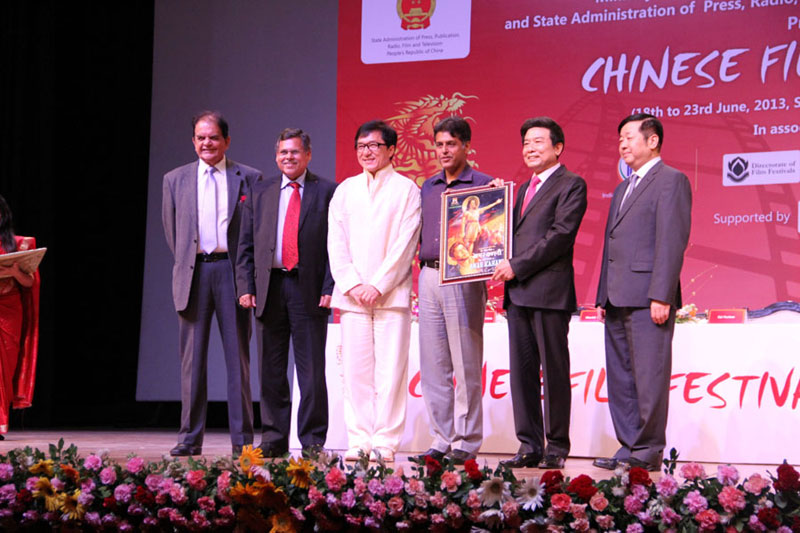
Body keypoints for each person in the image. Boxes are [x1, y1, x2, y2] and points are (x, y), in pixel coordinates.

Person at [593, 113, 692, 472]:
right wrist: (603, 294)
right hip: (617, 297)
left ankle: (649, 448)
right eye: (619, 137)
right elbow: (611, 244)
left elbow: (671, 241)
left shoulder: (671, 181)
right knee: (621, 377)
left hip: (650, 297)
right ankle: (630, 445)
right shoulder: (623, 187)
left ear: (652, 141)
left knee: (649, 376)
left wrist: (662, 294)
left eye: (629, 137)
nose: (622, 143)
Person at [492, 117, 587, 469]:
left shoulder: (571, 185)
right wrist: (495, 204)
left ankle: (557, 446)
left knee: (555, 372)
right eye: (526, 143)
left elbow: (560, 236)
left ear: (558, 147)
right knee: (522, 375)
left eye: (538, 142)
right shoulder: (518, 190)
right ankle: (529, 444)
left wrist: (517, 265)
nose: (530, 149)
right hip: (517, 296)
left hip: (549, 294)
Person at [162, 111, 257, 456]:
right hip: (194, 275)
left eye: (213, 137)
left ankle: (242, 441)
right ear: (193, 142)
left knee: (239, 363)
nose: (207, 143)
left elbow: (252, 234)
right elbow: (173, 233)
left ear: (226, 141)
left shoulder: (248, 177)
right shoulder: (175, 180)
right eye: (201, 138)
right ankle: (189, 438)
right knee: (192, 363)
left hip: (232, 273)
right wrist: (193, 262)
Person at [236, 128, 336, 457]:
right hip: (269, 288)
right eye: (283, 153)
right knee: (271, 371)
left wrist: (329, 286)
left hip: (309, 290)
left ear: (308, 155)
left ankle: (312, 441)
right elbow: (246, 243)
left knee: (311, 373)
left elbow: (336, 247)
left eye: (295, 152)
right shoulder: (260, 190)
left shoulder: (327, 192)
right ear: (276, 155)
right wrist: (245, 286)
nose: (288, 158)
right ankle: (275, 438)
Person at [327, 120, 421, 462]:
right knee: (355, 372)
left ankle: (385, 441)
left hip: (391, 296)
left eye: (374, 146)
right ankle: (359, 439)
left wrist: (378, 285)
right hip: (352, 298)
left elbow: (405, 244)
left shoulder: (407, 189)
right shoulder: (345, 190)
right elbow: (335, 243)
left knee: (391, 371)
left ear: (391, 149)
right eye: (361, 146)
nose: (367, 152)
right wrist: (353, 284)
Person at [416, 116, 494, 464]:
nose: (444, 151)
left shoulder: (484, 185)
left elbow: (492, 236)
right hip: (429, 275)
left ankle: (466, 441)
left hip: (463, 278)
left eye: (451, 144)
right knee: (433, 365)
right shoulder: (429, 186)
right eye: (440, 145)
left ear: (466, 146)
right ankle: (440, 439)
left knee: (465, 362)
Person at [0, 195, 39, 440]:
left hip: (9, 312)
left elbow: (29, 282)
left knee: (3, 367)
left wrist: (14, 269)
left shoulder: (19, 244)